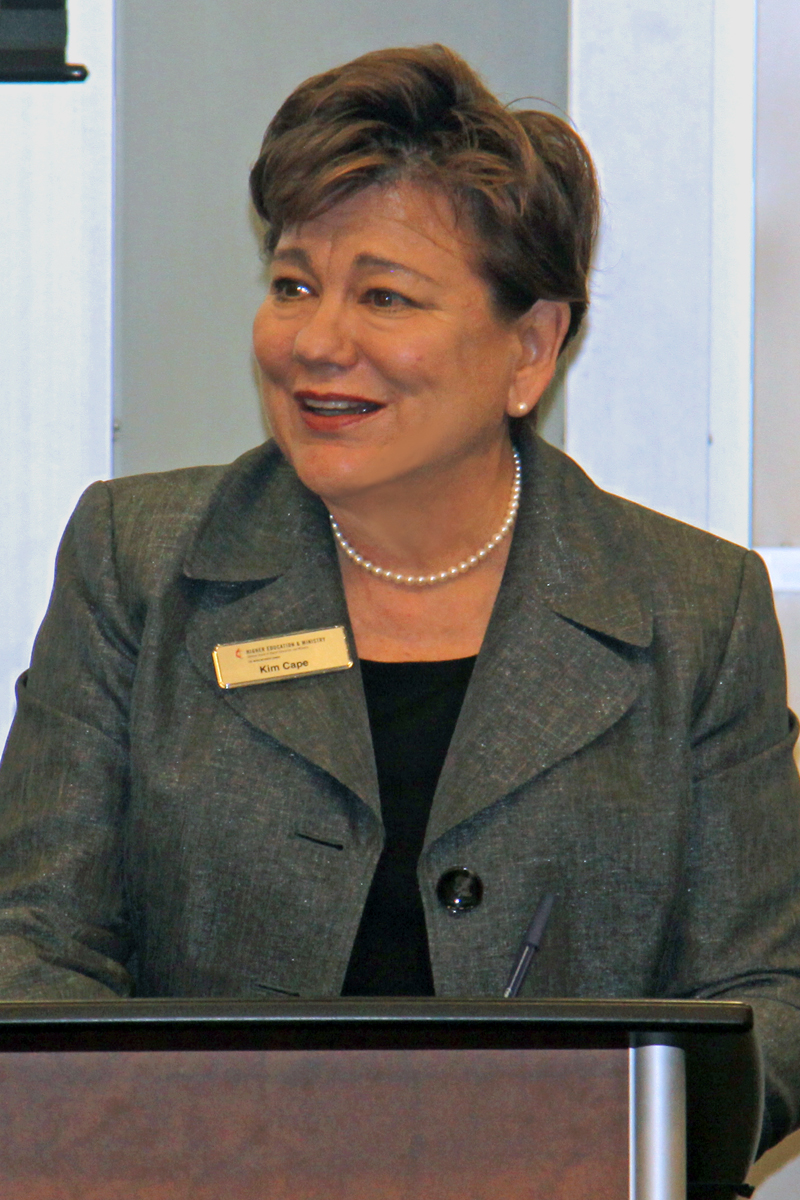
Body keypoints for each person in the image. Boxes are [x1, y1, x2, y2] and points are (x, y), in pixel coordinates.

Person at [0, 44, 799, 1150]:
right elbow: (34, 943)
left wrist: (570, 1146)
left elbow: (765, 998)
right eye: (292, 284)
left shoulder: (693, 610)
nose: (317, 343)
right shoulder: (136, 563)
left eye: (382, 295)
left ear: (529, 348)